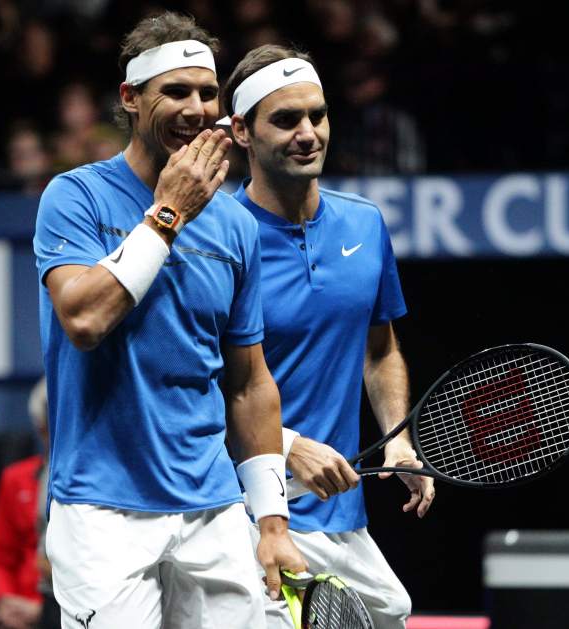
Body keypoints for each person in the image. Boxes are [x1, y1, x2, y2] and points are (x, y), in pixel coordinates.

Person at [32, 12, 305, 628]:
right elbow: (84, 320)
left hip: (214, 508)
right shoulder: (74, 197)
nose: (196, 109)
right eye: (175, 92)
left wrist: (272, 522)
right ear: (130, 98)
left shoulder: (236, 225)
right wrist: (169, 213)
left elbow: (249, 383)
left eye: (207, 93)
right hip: (103, 511)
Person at [221, 44, 435, 628]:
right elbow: (196, 387)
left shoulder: (364, 222)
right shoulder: (217, 238)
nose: (308, 133)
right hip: (243, 511)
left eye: (317, 115)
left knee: (392, 612)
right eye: (286, 119)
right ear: (241, 132)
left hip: (341, 512)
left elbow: (380, 349)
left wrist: (397, 440)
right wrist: (288, 446)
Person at [0, 377, 59, 629]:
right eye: (50, 423)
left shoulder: (102, 485)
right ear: (40, 426)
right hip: (18, 609)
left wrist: (43, 612)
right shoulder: (15, 479)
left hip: (65, 609)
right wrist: (6, 601)